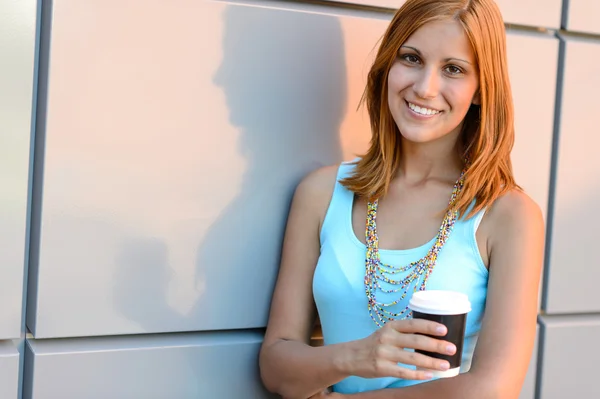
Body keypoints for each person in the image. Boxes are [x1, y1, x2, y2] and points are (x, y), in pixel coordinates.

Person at [258, 0, 545, 398]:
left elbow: (491, 389)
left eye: (453, 69)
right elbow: (277, 364)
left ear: (481, 90)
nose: (425, 87)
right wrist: (359, 356)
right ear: (387, 68)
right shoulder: (321, 194)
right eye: (411, 58)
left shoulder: (507, 215)